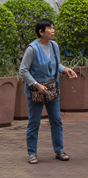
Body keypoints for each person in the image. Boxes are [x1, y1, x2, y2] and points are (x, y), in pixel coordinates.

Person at [19, 19, 77, 164]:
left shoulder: (54, 45)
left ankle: (59, 150)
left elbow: (55, 64)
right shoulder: (32, 49)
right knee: (34, 122)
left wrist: (65, 69)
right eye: (50, 28)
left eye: (53, 28)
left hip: (52, 90)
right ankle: (32, 153)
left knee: (56, 121)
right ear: (41, 32)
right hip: (36, 92)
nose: (53, 31)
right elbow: (23, 70)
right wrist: (36, 84)